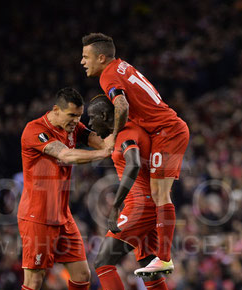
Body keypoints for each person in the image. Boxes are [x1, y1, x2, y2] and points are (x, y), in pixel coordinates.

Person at [15, 87, 112, 290]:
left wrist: (118, 136)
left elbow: (97, 140)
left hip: (62, 214)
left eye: (79, 116)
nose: (75, 122)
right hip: (37, 215)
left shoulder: (72, 127)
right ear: (56, 110)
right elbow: (66, 155)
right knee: (34, 279)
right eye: (71, 116)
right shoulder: (35, 131)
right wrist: (103, 155)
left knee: (82, 275)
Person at [81, 33, 190, 276]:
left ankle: (164, 257)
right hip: (167, 129)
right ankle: (160, 259)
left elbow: (121, 106)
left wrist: (114, 137)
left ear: (101, 57)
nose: (82, 61)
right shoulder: (122, 66)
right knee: (159, 194)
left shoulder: (108, 75)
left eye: (85, 56)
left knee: (160, 194)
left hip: (167, 131)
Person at [87, 95, 182, 290]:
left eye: (92, 117)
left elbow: (134, 164)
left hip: (138, 206)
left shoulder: (126, 133)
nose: (90, 123)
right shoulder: (131, 131)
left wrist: (116, 205)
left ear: (106, 116)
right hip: (149, 206)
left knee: (103, 261)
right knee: (151, 274)